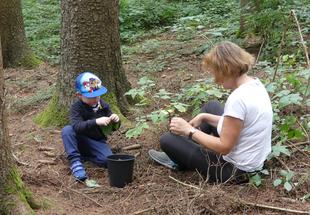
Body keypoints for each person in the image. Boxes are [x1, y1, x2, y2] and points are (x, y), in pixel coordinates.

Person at [149, 41, 273, 183]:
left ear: (226, 70)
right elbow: (240, 123)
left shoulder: (238, 99)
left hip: (235, 171)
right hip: (255, 163)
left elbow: (224, 147)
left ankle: (179, 156)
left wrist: (190, 131)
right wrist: (204, 117)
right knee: (211, 107)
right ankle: (183, 149)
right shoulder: (255, 84)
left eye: (216, 74)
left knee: (167, 140)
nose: (216, 80)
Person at [61, 72, 120, 181]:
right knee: (67, 130)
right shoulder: (76, 107)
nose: (95, 99)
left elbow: (112, 128)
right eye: (91, 96)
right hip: (80, 138)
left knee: (107, 161)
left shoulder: (103, 105)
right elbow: (77, 126)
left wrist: (115, 120)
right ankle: (75, 162)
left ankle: (86, 157)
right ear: (79, 95)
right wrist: (96, 121)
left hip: (96, 141)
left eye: (97, 95)